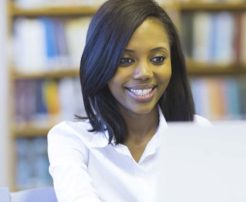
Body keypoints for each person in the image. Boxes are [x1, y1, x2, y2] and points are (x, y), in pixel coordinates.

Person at [47, 0, 210, 201]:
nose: (144, 73)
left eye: (158, 59)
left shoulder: (199, 132)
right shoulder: (70, 140)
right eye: (125, 60)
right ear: (100, 64)